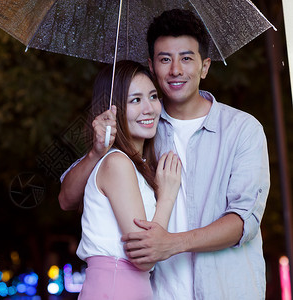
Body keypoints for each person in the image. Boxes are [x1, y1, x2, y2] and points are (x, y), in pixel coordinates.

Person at [59, 9, 270, 300]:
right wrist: (95, 153)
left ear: (204, 66)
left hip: (226, 290)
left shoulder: (242, 130)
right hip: (159, 292)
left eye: (186, 58)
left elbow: (243, 221)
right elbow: (69, 197)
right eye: (164, 59)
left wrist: (171, 243)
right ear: (152, 66)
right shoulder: (142, 129)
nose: (175, 70)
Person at [75, 60, 181, 300]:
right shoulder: (117, 163)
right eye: (135, 100)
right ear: (112, 110)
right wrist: (167, 196)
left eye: (153, 96)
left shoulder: (132, 165)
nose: (150, 108)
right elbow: (144, 255)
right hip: (116, 287)